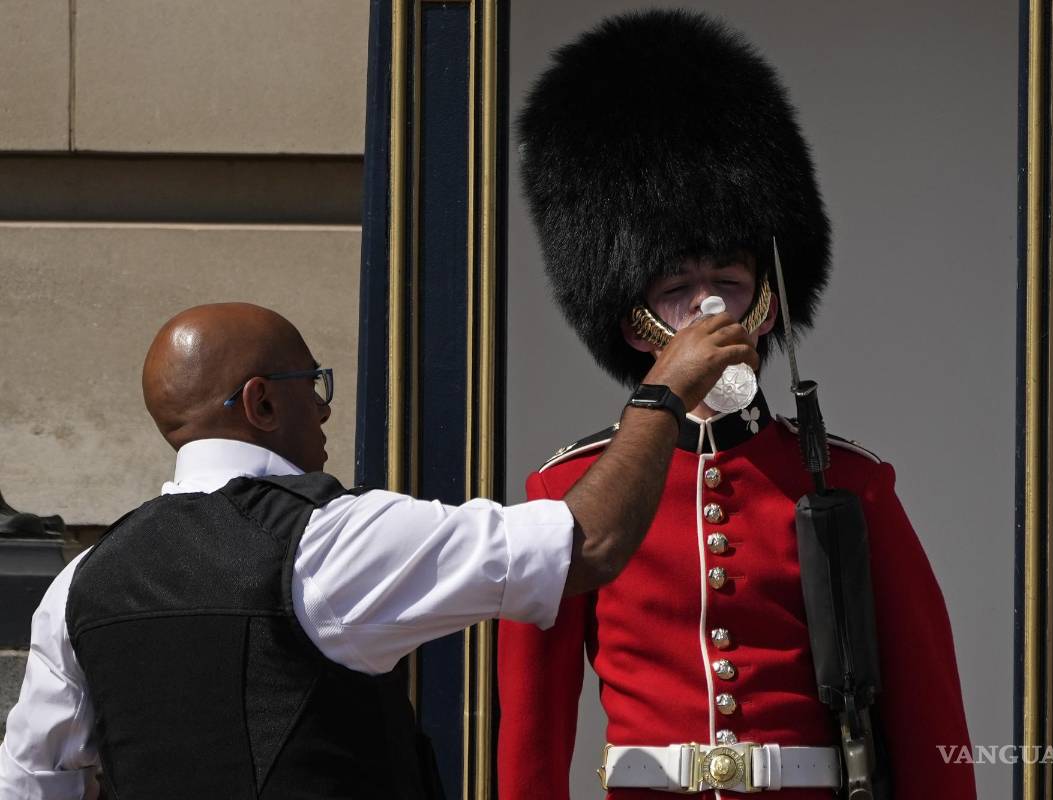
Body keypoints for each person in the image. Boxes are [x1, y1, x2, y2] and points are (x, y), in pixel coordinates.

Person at [497, 9, 976, 799]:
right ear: (636, 323)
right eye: (679, 289)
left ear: (767, 303)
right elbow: (532, 741)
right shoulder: (566, 494)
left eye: (729, 280)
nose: (710, 307)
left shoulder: (852, 484)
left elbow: (930, 721)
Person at [0, 301, 757, 800]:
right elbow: (587, 543)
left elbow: (32, 781)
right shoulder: (331, 541)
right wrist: (662, 393)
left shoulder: (79, 583)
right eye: (312, 384)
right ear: (262, 401)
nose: (324, 408)